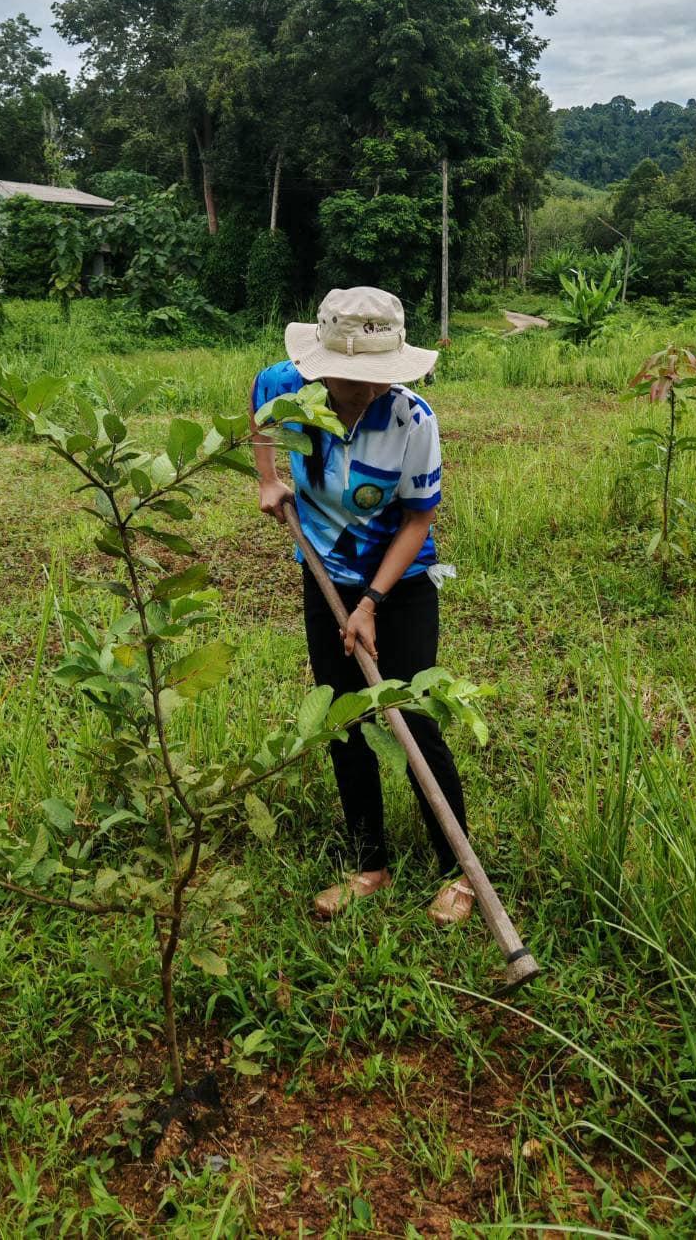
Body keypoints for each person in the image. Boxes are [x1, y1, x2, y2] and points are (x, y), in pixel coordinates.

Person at [250, 286, 473, 926]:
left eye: (379, 376)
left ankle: (456, 870)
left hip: (398, 584)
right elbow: (257, 408)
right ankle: (369, 864)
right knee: (344, 718)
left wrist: (372, 601)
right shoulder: (291, 390)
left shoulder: (412, 421)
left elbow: (416, 520)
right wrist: (269, 479)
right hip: (323, 575)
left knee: (410, 716)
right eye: (353, 379)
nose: (366, 389)